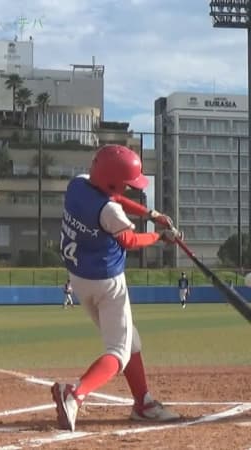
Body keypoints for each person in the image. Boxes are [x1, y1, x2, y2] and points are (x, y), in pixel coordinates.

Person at [51, 144, 183, 432]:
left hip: (79, 280)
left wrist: (151, 213)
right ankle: (75, 393)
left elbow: (113, 196)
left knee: (130, 339)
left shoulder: (78, 184)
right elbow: (131, 241)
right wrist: (161, 236)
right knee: (119, 352)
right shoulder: (109, 211)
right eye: (125, 183)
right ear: (112, 180)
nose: (128, 188)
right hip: (107, 284)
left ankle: (143, 403)